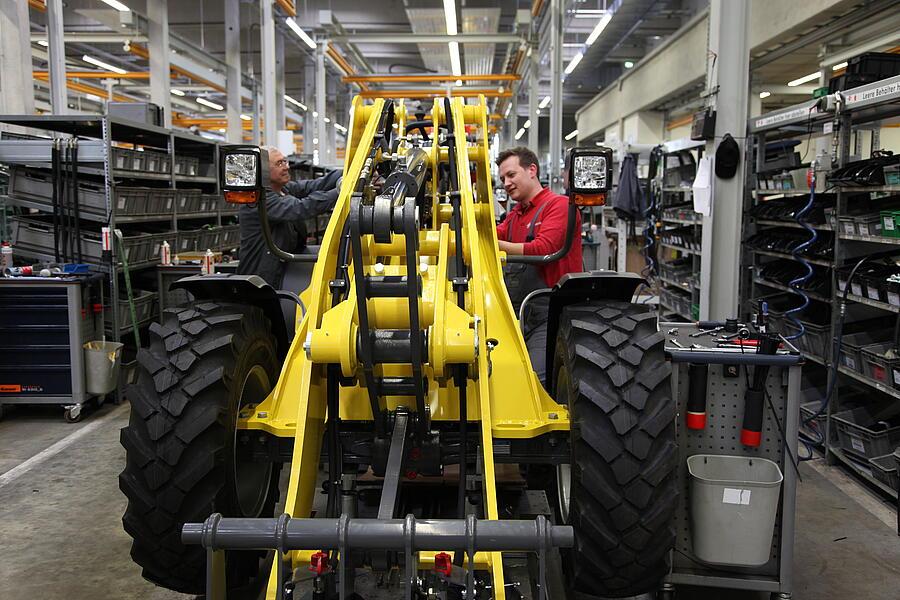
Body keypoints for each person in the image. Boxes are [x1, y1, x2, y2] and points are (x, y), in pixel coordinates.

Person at [495, 146, 583, 381]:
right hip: (519, 311)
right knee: (501, 373)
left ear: (531, 170)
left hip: (551, 312)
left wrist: (494, 244)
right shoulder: (516, 214)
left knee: (533, 381)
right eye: (503, 178)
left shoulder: (560, 205)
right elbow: (492, 234)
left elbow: (544, 249)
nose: (506, 183)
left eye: (511, 175)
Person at [237, 146, 341, 288]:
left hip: (283, 269)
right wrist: (337, 192)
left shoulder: (283, 189)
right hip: (261, 280)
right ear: (264, 171)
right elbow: (300, 208)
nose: (286, 167)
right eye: (279, 163)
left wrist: (349, 170)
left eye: (285, 162)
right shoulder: (257, 200)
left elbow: (316, 185)